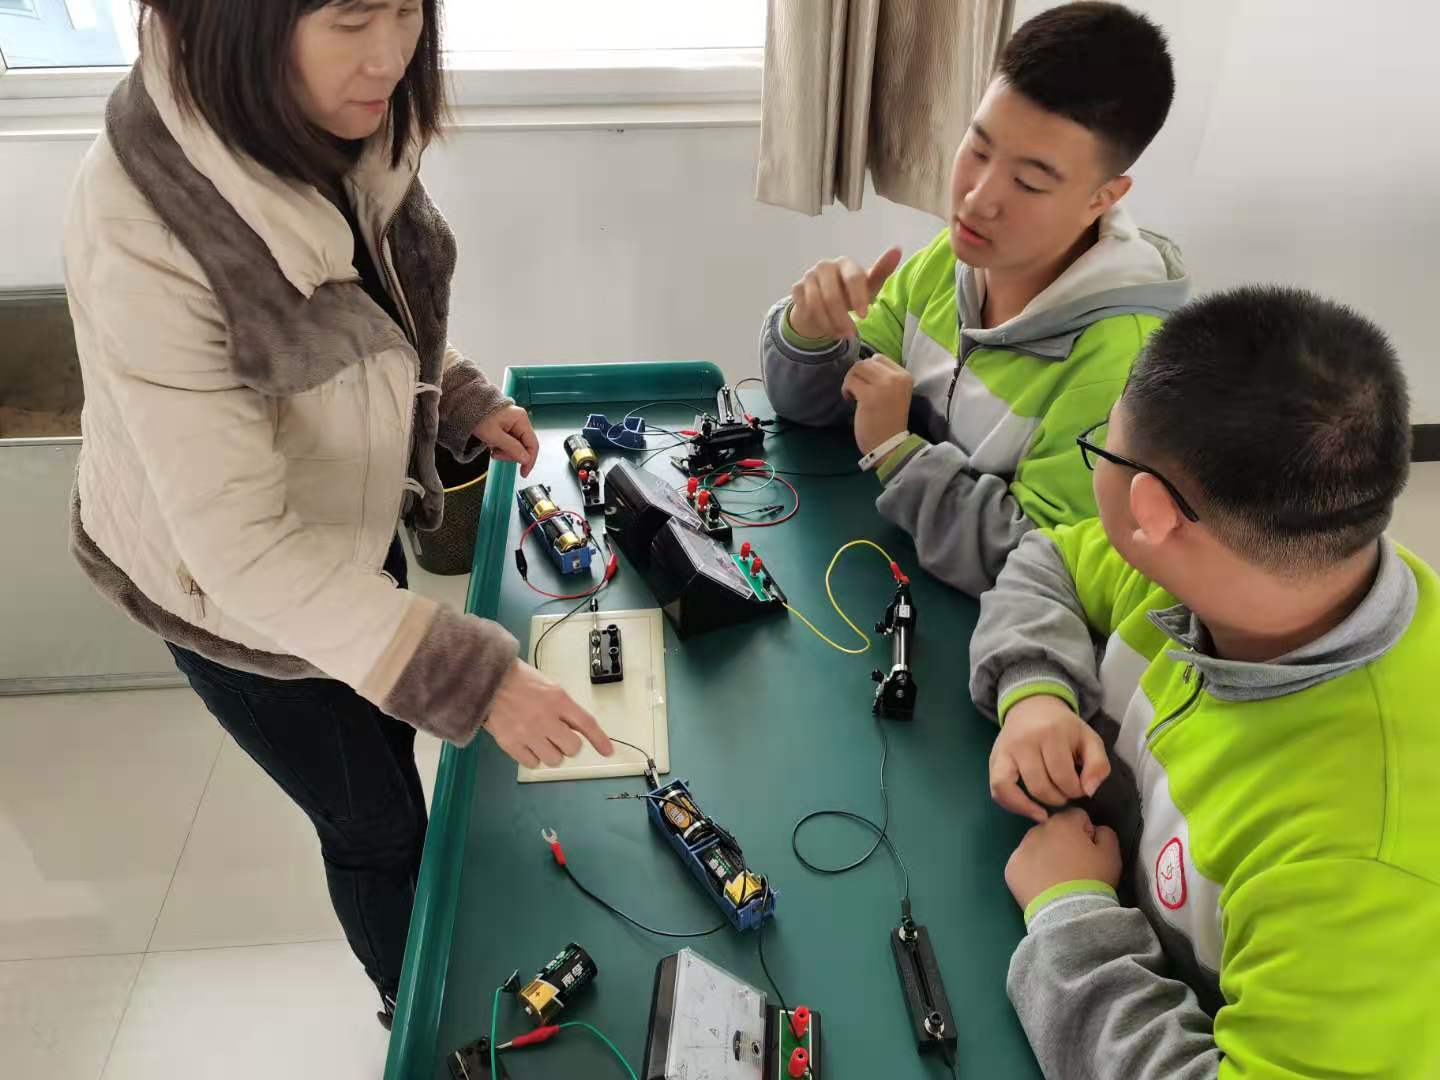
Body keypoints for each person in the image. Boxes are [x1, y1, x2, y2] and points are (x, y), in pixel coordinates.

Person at [63, 0, 613, 1027]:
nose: (391, 57)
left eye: (406, 10)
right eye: (353, 19)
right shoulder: (145, 233)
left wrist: (455, 395)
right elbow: (242, 551)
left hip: (337, 536)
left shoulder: (337, 115)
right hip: (232, 602)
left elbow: (367, 310)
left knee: (391, 738)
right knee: (374, 825)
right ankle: (412, 1012)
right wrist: (478, 677)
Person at [968, 286, 1440, 1077]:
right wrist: (1034, 691)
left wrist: (1072, 915)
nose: (1098, 461)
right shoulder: (1248, 568)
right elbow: (1049, 559)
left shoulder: (1364, 862)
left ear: (1151, 509)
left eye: (1101, 446)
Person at [761, 2, 1187, 596]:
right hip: (884, 571)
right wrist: (810, 335)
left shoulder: (1119, 363)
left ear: (1102, 198)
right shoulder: (954, 258)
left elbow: (1045, 567)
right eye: (979, 148)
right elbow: (827, 405)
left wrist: (896, 451)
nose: (977, 199)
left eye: (1029, 182)